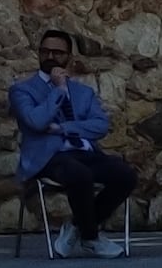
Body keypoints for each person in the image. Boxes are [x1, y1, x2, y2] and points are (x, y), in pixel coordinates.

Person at [10, 30, 135, 253]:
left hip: (85, 153)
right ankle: (91, 237)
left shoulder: (83, 92)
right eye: (45, 51)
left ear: (69, 57)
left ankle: (78, 226)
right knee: (79, 174)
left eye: (57, 53)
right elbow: (36, 122)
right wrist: (58, 90)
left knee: (125, 175)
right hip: (49, 157)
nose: (50, 56)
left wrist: (63, 128)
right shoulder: (22, 90)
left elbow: (100, 126)